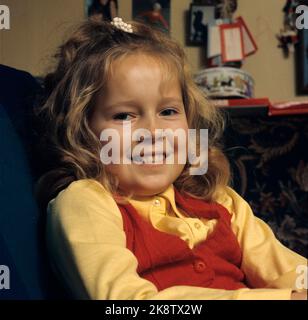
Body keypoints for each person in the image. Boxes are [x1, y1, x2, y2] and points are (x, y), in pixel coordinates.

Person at [36, 18, 307, 300]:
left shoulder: (221, 200)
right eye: (124, 115)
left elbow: (286, 269)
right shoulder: (85, 202)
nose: (153, 132)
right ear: (82, 132)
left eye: (168, 112)